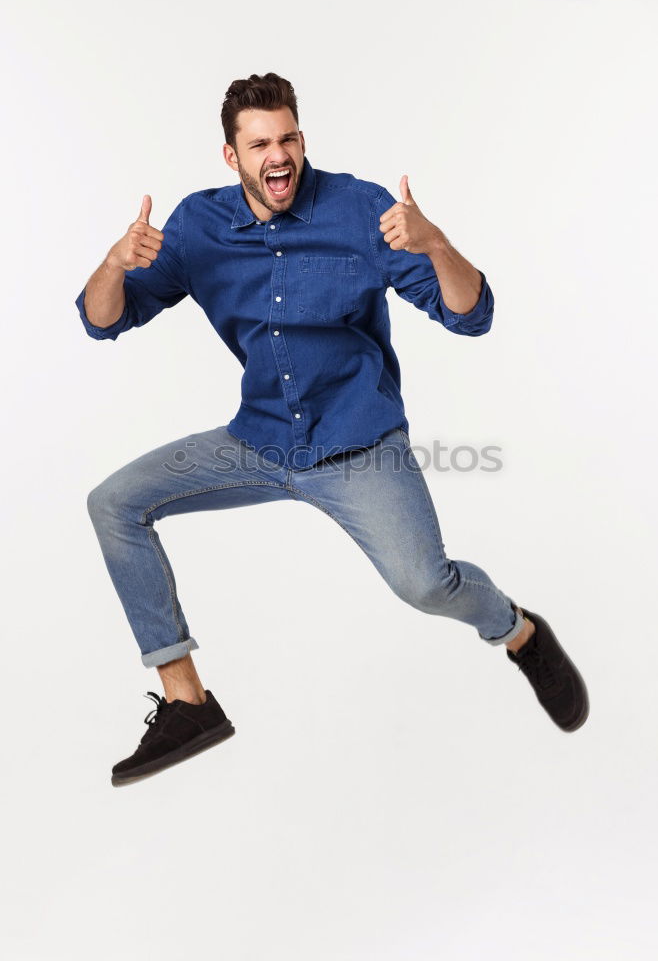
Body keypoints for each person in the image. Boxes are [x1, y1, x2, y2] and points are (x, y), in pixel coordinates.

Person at [75, 72, 589, 787]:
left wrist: (436, 242)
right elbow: (103, 320)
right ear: (233, 157)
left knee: (426, 584)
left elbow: (472, 316)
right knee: (114, 502)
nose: (277, 154)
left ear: (302, 139)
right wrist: (110, 265)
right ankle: (186, 700)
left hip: (358, 444)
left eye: (287, 138)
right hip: (258, 441)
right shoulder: (199, 226)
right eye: (260, 144)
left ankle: (517, 630)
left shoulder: (360, 209)